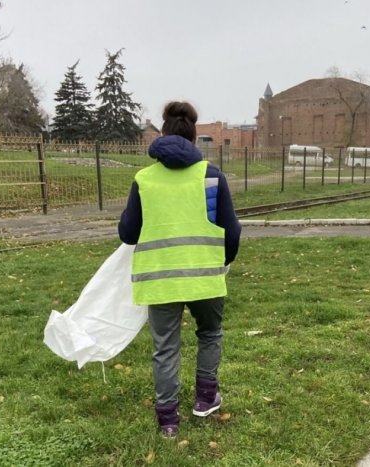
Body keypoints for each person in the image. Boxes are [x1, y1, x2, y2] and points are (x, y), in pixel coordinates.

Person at [118, 101, 241, 438]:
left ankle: (168, 420)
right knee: (210, 333)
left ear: (163, 132)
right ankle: (205, 399)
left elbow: (128, 233)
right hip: (205, 278)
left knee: (165, 347)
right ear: (194, 136)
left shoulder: (144, 180)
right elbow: (232, 230)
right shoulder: (212, 177)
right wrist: (223, 261)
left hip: (160, 281)